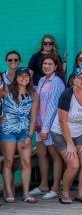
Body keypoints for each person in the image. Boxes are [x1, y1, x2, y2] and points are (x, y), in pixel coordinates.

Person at [50, 67, 82, 204]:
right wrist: (70, 144)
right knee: (74, 164)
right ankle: (64, 193)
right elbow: (62, 121)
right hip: (60, 132)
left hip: (80, 133)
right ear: (73, 80)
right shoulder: (67, 95)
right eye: (79, 78)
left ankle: (80, 193)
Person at [29, 54, 65, 200]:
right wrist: (37, 122)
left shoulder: (57, 83)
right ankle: (43, 185)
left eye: (50, 64)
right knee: (41, 154)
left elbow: (52, 107)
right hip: (41, 125)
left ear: (55, 67)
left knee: (55, 155)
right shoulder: (42, 80)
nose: (47, 66)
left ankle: (55, 188)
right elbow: (37, 104)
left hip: (52, 126)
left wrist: (45, 129)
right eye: (45, 64)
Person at [0, 67, 38, 204]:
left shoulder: (33, 94)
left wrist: (29, 135)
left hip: (24, 132)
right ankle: (9, 193)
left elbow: (33, 117)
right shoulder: (6, 89)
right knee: (8, 161)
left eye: (26, 76)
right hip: (7, 131)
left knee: (26, 162)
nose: (24, 78)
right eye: (20, 76)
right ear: (16, 78)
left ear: (29, 78)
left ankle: (26, 193)